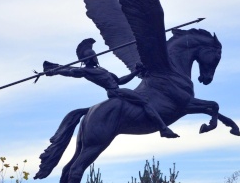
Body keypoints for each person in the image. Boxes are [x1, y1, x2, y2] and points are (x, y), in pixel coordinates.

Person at [43, 38, 179, 138]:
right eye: (93, 56)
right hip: (115, 92)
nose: (96, 58)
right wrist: (55, 71)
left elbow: (120, 80)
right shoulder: (86, 71)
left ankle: (162, 127)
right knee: (144, 101)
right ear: (90, 59)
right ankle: (163, 128)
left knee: (141, 100)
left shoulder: (102, 70)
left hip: (117, 89)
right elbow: (70, 72)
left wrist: (136, 72)